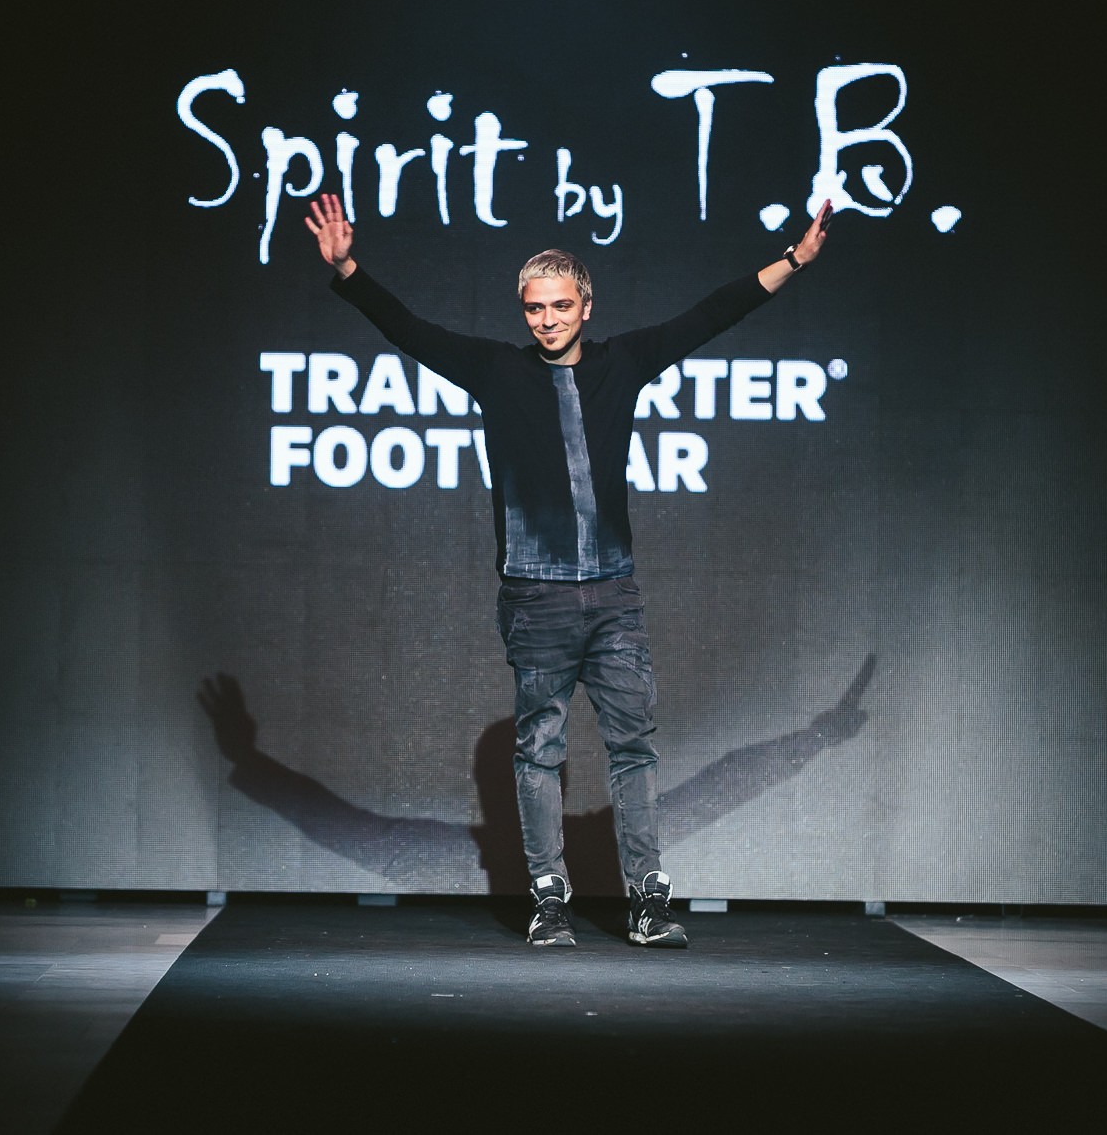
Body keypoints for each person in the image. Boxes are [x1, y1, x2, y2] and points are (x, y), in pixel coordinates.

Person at [305, 191, 832, 948]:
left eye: (559, 306)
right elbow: (408, 329)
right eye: (534, 308)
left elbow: (712, 314)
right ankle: (549, 900)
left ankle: (647, 901)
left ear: (586, 306)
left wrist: (794, 260)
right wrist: (348, 269)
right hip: (536, 596)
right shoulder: (496, 370)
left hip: (614, 593)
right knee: (539, 750)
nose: (546, 320)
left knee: (634, 748)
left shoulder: (623, 363)